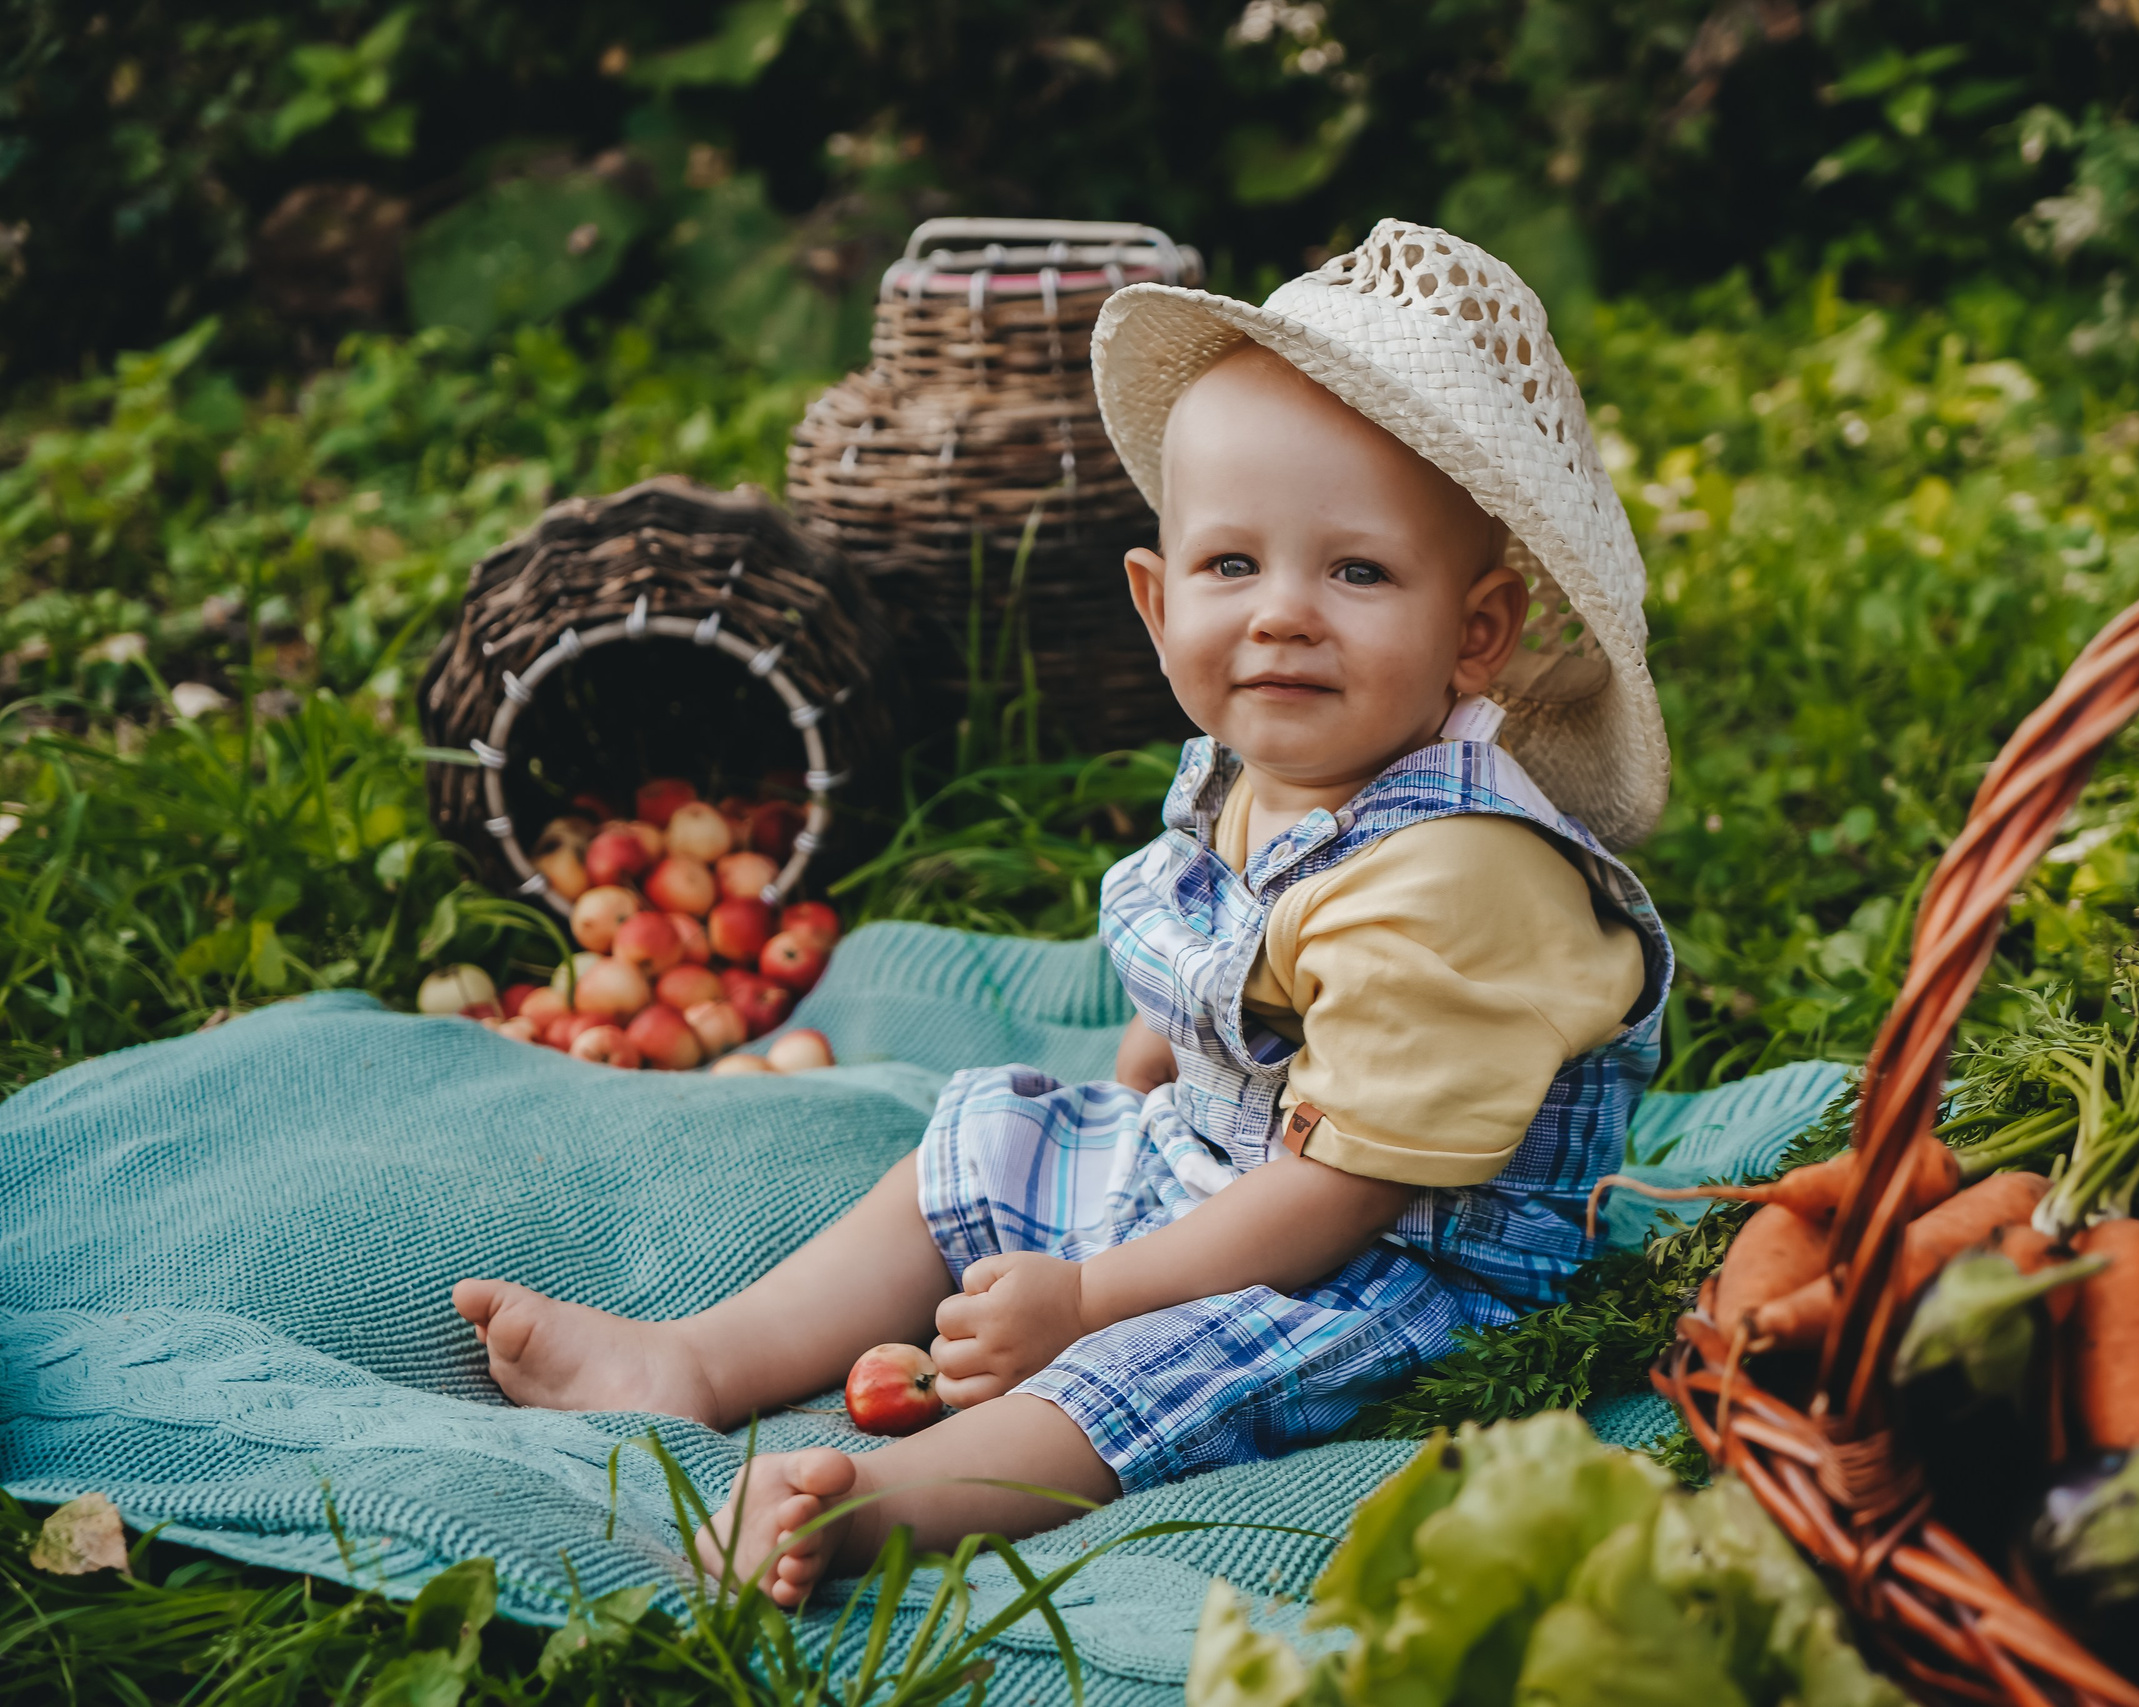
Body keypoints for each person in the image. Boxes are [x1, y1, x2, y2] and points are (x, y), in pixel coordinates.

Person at [452, 220, 1675, 1605]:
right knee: (988, 1141)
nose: (1282, 618)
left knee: (1151, 1375)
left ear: (1477, 631)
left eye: (1358, 572)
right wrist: (1138, 1089)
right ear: (1156, 604)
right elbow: (1226, 977)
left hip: (1409, 1260)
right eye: (1232, 568)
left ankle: (869, 1507)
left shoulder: (1456, 876)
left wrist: (1094, 1295)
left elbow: (1347, 1195)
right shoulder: (1261, 761)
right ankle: (702, 1359)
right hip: (1244, 1160)